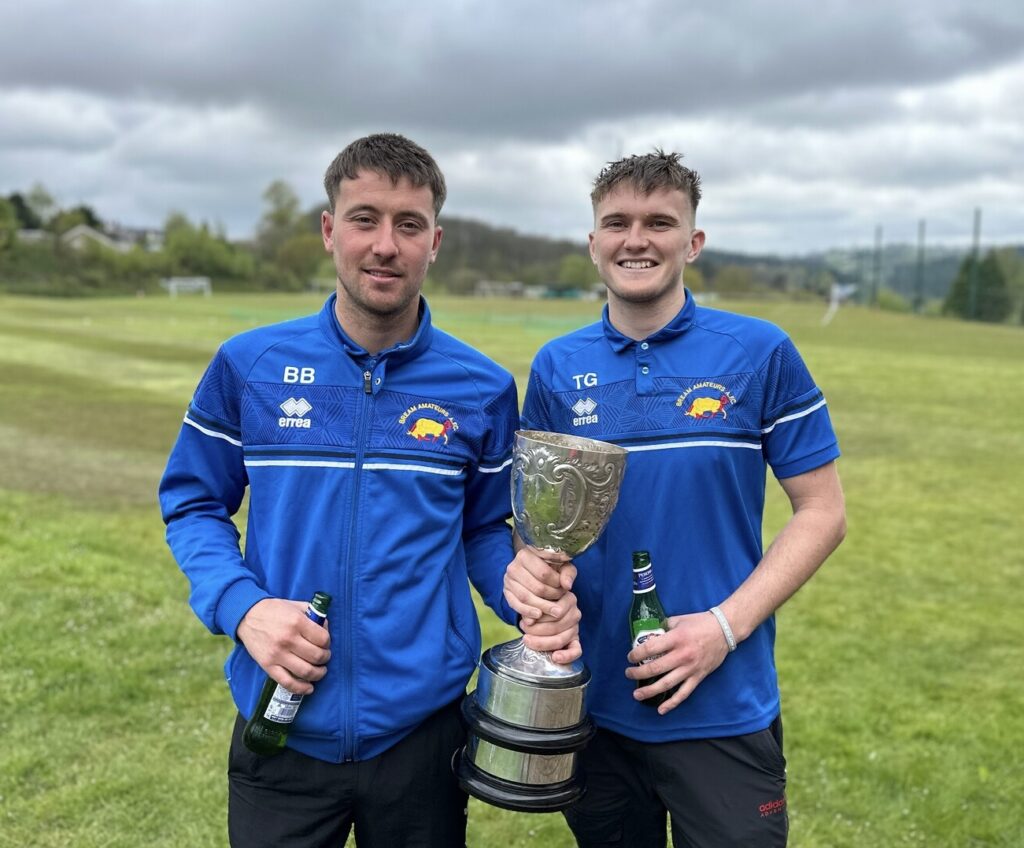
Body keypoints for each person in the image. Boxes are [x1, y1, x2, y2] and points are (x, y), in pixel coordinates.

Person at [159, 133, 579, 848]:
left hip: (422, 736)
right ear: (330, 230)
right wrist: (245, 609)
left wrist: (522, 595)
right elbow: (194, 504)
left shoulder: (479, 388)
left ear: (434, 241)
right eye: (365, 218)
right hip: (280, 722)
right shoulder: (249, 365)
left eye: (408, 224)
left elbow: (482, 531)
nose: (385, 244)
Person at [506, 150, 847, 847]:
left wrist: (721, 629)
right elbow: (539, 527)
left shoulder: (758, 351)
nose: (638, 239)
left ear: (693, 241)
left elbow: (824, 512)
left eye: (660, 222)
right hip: (593, 706)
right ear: (593, 242)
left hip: (723, 702)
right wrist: (537, 585)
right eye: (618, 222)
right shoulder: (556, 367)